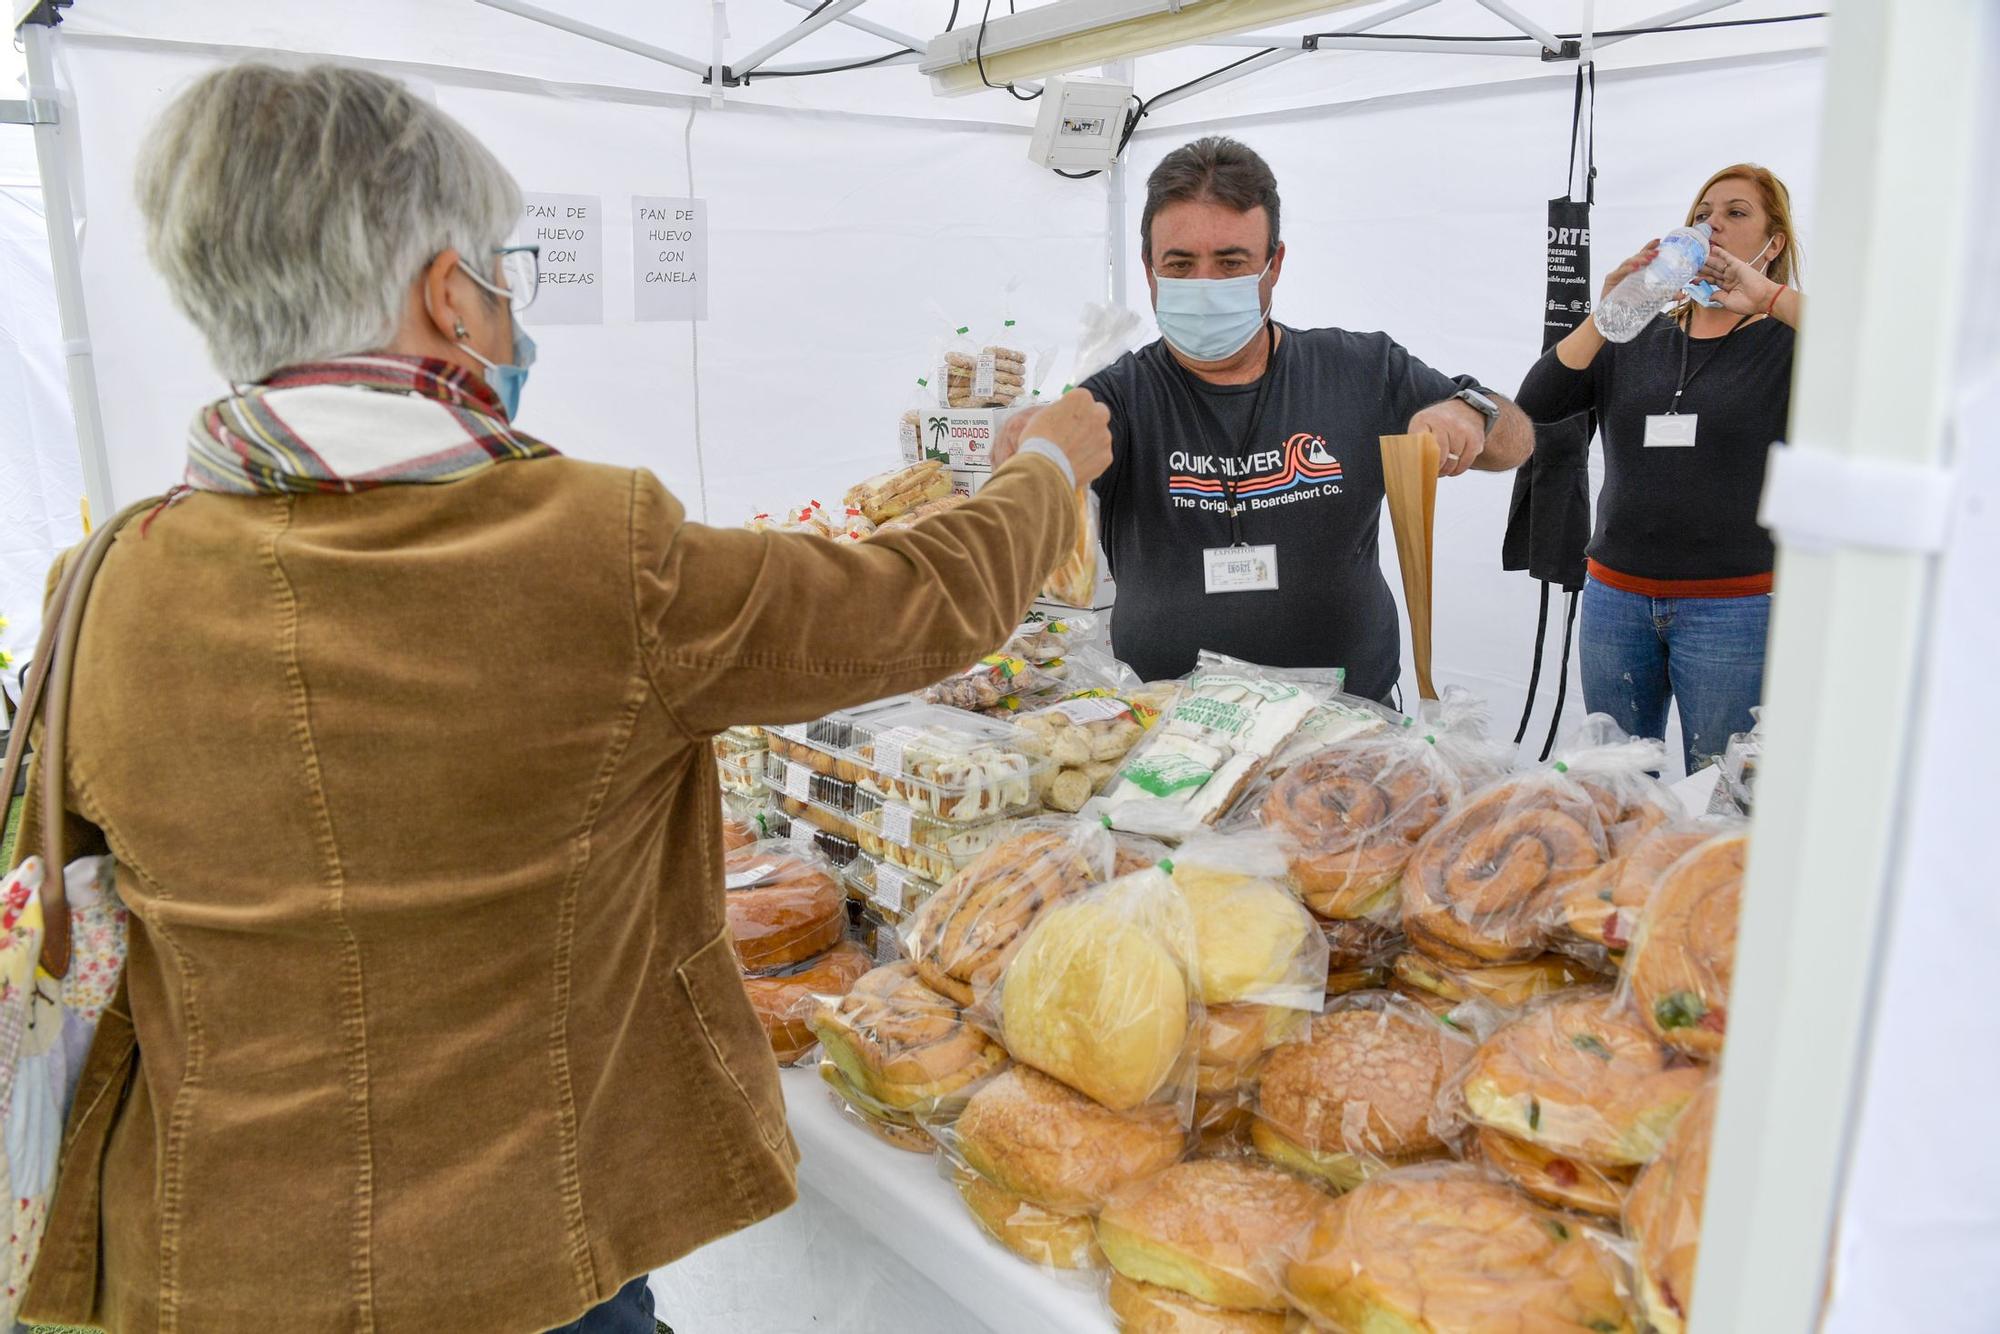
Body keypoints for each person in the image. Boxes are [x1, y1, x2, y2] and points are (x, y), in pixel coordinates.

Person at [13, 63, 1109, 1332]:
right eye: (498, 277)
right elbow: (919, 599)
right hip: (521, 1257)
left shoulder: (101, 584)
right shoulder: (597, 549)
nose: (510, 318)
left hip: (205, 1252)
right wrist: (1042, 466)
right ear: (445, 294)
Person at [999, 136, 1534, 703]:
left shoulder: (1360, 368)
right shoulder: (1119, 395)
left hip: (1348, 724)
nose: (1204, 285)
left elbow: (1518, 441)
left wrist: (1469, 414)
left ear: (1274, 265)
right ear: (1149, 271)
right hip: (1170, 734)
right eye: (1179, 264)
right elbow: (1043, 475)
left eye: (1231, 263)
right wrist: (1028, 442)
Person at [1515, 163, 1802, 772]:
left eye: (1735, 213)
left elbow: (1877, 354)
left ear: (1773, 244)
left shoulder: (1786, 342)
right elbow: (1536, 405)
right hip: (1618, 597)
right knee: (1620, 789)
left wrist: (1771, 298)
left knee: (1724, 795)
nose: (1712, 225)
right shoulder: (1640, 334)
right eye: (1702, 214)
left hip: (1734, 605)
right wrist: (1607, 313)